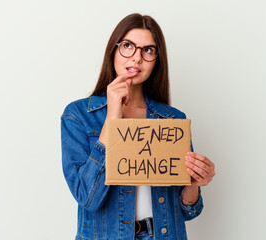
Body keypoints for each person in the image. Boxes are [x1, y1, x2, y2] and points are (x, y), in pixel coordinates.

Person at [61, 13, 216, 240]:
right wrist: (112, 119)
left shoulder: (173, 120)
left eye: (148, 50)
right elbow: (87, 198)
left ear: (157, 60)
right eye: (127, 46)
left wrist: (193, 185)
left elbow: (187, 211)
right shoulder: (78, 116)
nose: (136, 58)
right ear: (113, 51)